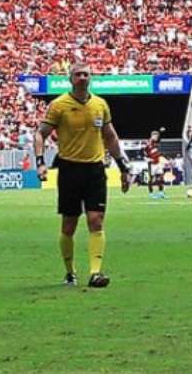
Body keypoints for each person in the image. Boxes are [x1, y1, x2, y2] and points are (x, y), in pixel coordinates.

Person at [34, 63, 132, 288]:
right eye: (78, 74)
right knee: (69, 224)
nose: (82, 78)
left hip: (95, 169)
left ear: (91, 78)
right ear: (70, 79)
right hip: (69, 169)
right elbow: (41, 134)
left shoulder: (100, 105)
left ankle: (96, 273)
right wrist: (40, 163)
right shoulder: (59, 105)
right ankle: (70, 272)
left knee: (96, 220)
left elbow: (110, 137)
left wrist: (123, 167)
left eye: (86, 74)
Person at [145, 129, 167, 200]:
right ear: (152, 136)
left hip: (158, 163)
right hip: (152, 164)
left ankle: (161, 193)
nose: (157, 137)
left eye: (158, 136)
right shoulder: (148, 144)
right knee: (151, 179)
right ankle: (151, 194)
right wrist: (146, 158)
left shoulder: (155, 143)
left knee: (161, 178)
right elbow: (142, 152)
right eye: (156, 135)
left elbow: (158, 152)